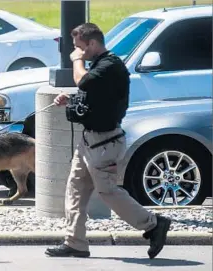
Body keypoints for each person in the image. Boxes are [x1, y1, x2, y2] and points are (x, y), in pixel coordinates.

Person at [45, 23, 171, 259]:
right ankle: (75, 242)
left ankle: (153, 224)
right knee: (75, 189)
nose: (76, 52)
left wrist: (76, 60)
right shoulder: (99, 67)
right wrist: (70, 101)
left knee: (108, 192)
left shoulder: (111, 66)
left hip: (105, 143)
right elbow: (94, 97)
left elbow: (82, 80)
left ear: (92, 44)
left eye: (79, 48)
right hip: (88, 141)